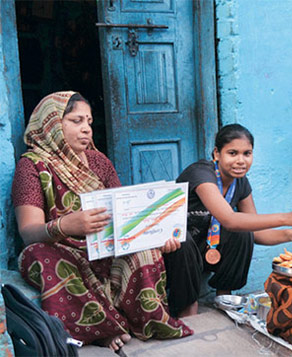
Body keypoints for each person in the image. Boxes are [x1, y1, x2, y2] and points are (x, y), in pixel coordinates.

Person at [11, 92, 192, 352]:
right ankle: (103, 330)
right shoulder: (31, 167)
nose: (86, 129)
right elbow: (28, 232)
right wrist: (66, 226)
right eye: (76, 121)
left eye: (89, 121)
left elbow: (125, 216)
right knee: (37, 256)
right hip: (62, 250)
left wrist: (154, 236)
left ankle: (137, 321)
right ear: (51, 124)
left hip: (105, 248)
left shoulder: (99, 161)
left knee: (145, 250)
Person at [164, 124, 292, 318]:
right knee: (183, 240)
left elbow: (254, 229)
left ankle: (225, 297)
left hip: (206, 247)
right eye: (232, 153)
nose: (240, 161)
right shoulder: (201, 174)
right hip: (174, 251)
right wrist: (289, 217)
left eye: (247, 153)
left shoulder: (240, 182)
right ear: (217, 154)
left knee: (244, 232)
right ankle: (186, 308)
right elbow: (229, 219)